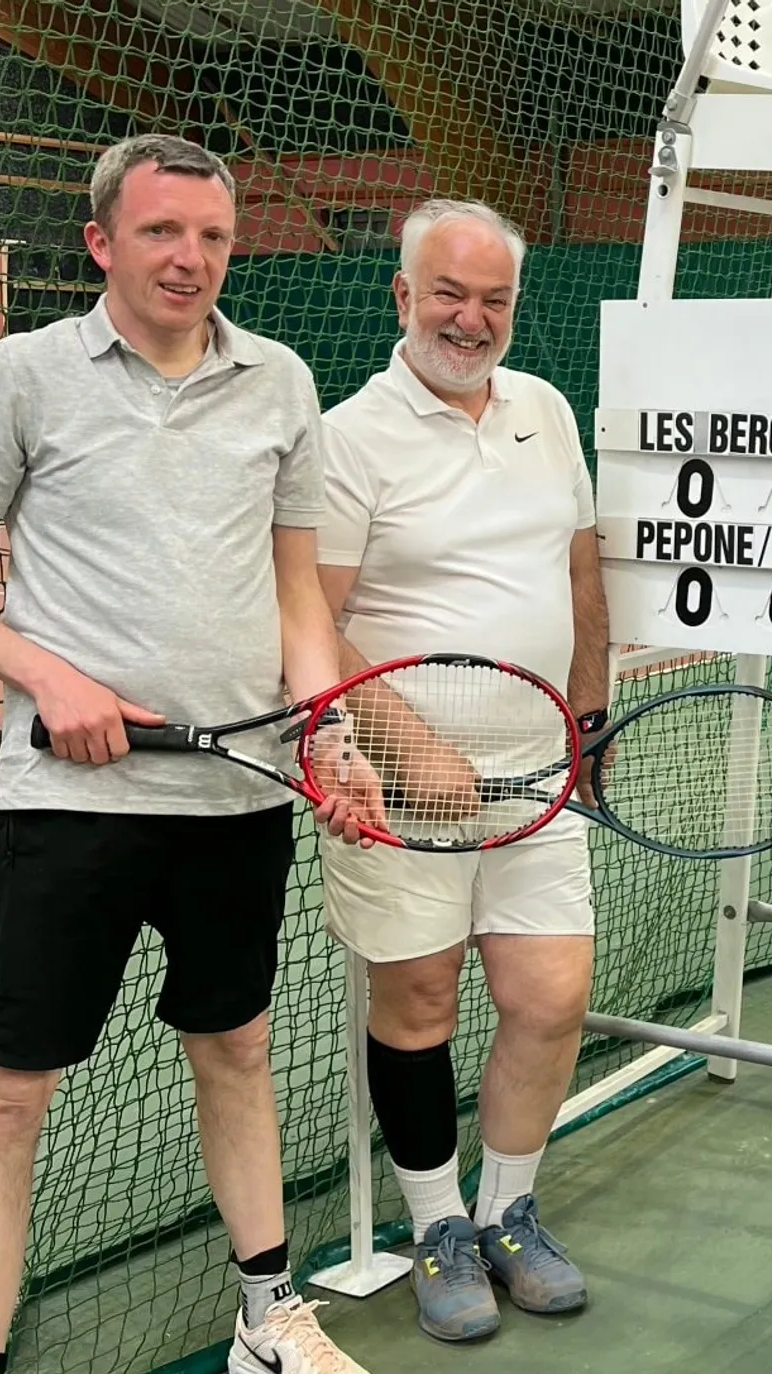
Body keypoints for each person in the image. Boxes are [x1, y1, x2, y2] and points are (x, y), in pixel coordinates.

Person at [0, 134, 381, 1374]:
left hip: (234, 800)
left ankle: (266, 1319)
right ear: (101, 242)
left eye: (211, 238)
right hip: (70, 804)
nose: (189, 259)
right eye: (160, 233)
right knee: (10, 1097)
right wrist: (48, 674)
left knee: (236, 1050)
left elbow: (298, 594)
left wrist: (327, 726)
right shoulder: (25, 377)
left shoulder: (282, 381)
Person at [316, 198, 611, 1343]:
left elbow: (580, 579)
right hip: (405, 792)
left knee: (549, 1000)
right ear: (402, 296)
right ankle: (435, 1226)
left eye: (492, 300)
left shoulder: (542, 408)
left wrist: (589, 719)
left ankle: (506, 1215)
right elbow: (311, 618)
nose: (470, 318)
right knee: (420, 1007)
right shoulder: (350, 437)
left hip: (538, 778)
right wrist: (402, 744)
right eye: (448, 293)